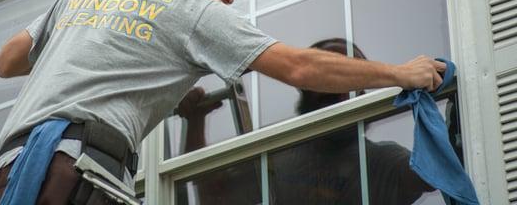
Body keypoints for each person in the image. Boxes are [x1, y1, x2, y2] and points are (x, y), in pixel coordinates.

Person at [0, 0, 446, 204]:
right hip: (73, 180)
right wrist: (398, 74)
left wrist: (89, 43)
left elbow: (6, 61)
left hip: (5, 179)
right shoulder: (189, 11)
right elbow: (299, 68)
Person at [177, 38, 438, 205]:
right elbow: (214, 198)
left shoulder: (381, 163)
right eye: (328, 78)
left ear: (362, 92)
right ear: (304, 87)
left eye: (349, 78)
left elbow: (436, 173)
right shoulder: (275, 158)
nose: (338, 90)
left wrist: (444, 96)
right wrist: (195, 123)